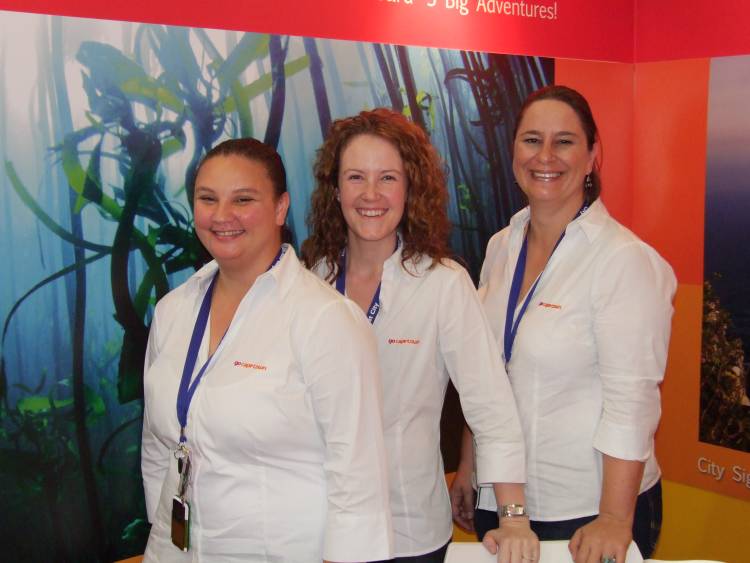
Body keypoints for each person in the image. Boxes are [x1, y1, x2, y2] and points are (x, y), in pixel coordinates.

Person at [450, 85, 677, 562]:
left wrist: (614, 518)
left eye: (565, 142)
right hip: (504, 503)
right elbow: (487, 370)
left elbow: (632, 403)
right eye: (532, 140)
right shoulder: (501, 246)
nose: (545, 156)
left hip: (587, 512)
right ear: (514, 150)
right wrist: (470, 465)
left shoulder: (622, 260)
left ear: (592, 155)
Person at [302, 108, 539, 563]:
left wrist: (512, 518)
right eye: (356, 177)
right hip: (319, 526)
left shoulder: (442, 284)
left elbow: (491, 408)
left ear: (410, 188)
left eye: (387, 178)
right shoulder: (311, 281)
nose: (371, 194)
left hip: (409, 532)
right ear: (335, 190)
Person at [141, 138, 393, 562]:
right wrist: (161, 529)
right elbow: (157, 443)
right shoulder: (173, 311)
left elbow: (358, 476)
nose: (222, 215)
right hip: (173, 550)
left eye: (243, 199)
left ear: (280, 208)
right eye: (208, 199)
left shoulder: (325, 319)